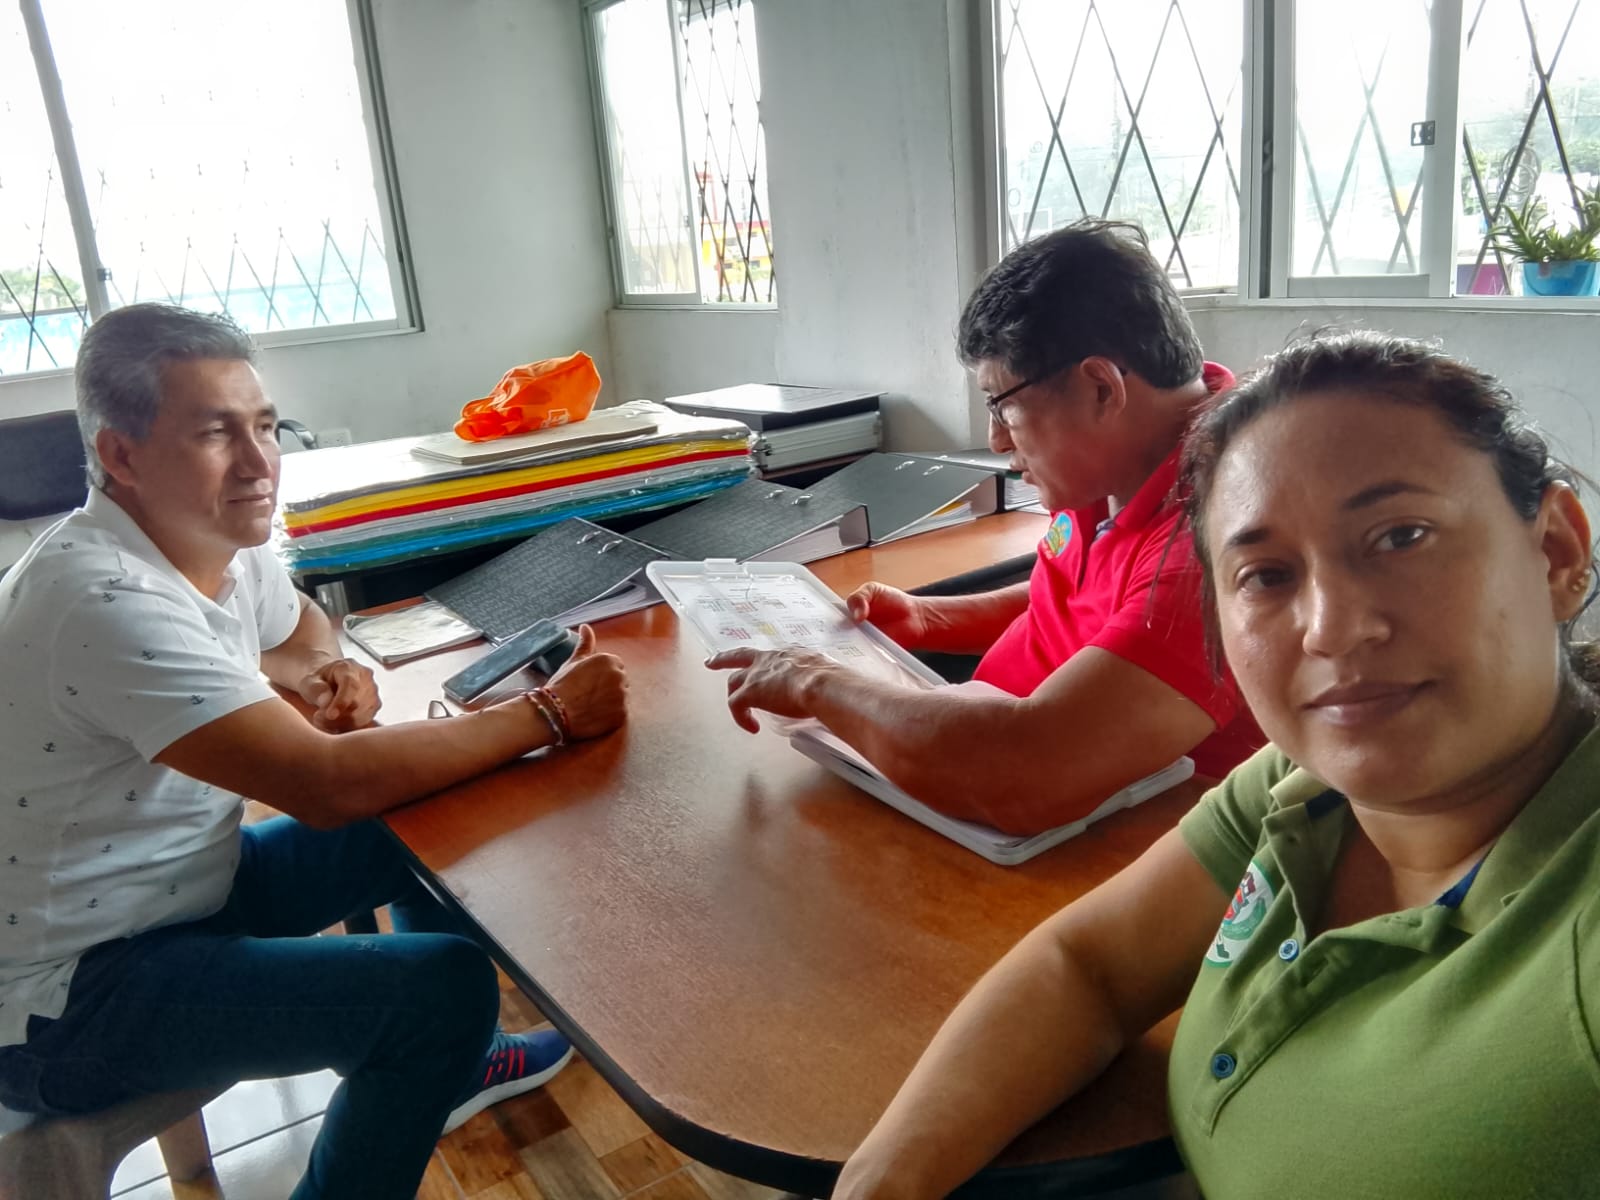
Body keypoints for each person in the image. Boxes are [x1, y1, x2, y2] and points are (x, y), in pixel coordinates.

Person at [828, 331, 1600, 1199]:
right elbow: (1089, 967)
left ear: (1556, 552)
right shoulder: (1302, 789)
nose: (1332, 627)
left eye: (1400, 536)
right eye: (1266, 575)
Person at [0, 304, 629, 1200]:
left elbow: (297, 628)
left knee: (431, 810)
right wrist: (549, 714)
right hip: (68, 1000)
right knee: (440, 990)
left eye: (264, 426)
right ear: (122, 456)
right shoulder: (97, 597)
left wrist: (326, 670)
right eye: (215, 433)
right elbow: (324, 784)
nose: (259, 462)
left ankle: (451, 1072)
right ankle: (442, 1051)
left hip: (180, 891)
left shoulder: (214, 534)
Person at [706, 221, 1261, 835]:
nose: (995, 440)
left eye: (1002, 404)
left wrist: (815, 682)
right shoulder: (1110, 467)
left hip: (1090, 835)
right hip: (974, 758)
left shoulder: (1221, 541)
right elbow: (1080, 601)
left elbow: (1021, 772)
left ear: (1102, 388)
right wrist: (931, 618)